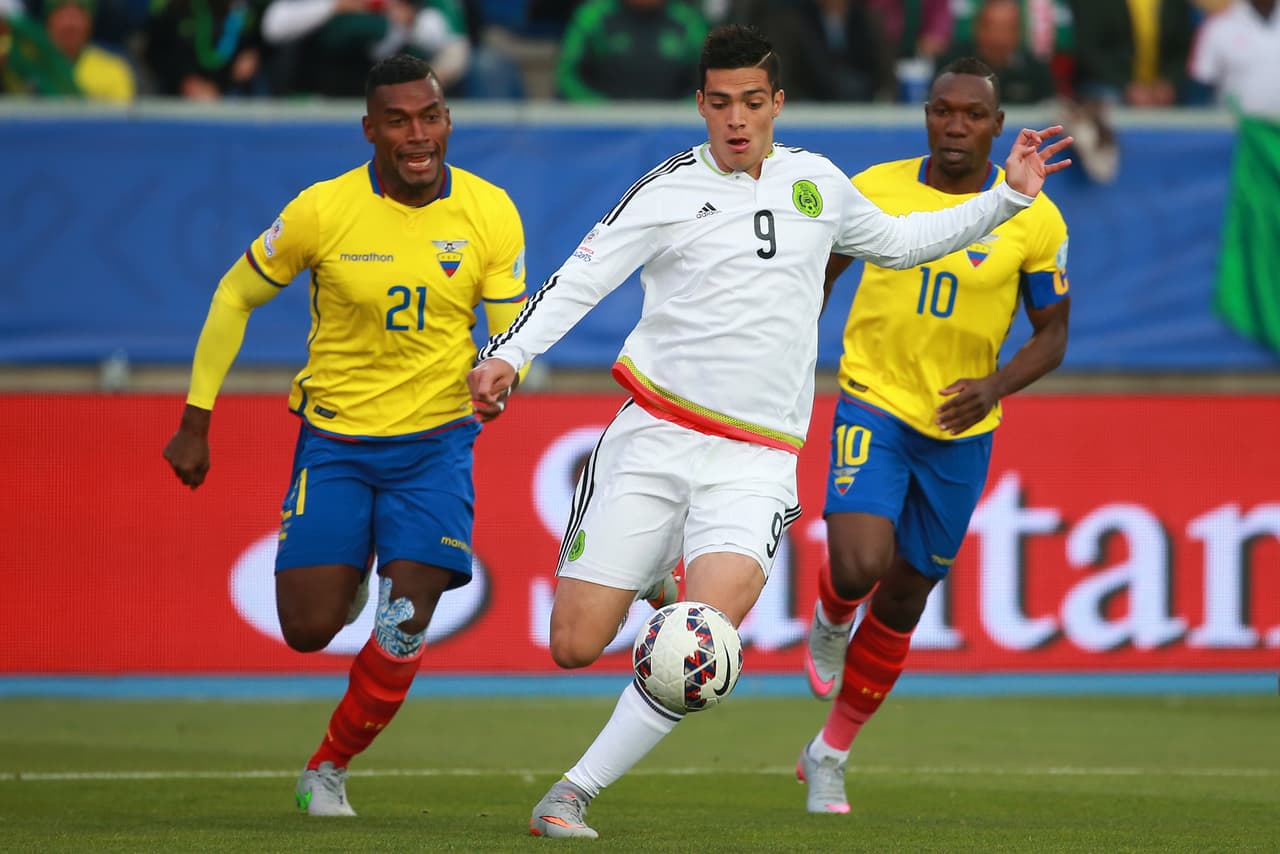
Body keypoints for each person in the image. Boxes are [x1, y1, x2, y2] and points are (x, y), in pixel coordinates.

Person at [467, 24, 1071, 839]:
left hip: (755, 461)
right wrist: (510, 357)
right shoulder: (667, 189)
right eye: (721, 103)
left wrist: (1009, 198)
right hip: (654, 435)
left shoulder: (818, 184)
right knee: (574, 644)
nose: (738, 119)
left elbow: (901, 243)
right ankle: (652, 577)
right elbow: (581, 275)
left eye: (753, 101)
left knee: (700, 649)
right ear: (701, 106)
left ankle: (570, 793)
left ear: (777, 103)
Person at [162, 54, 529, 816]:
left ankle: (328, 766)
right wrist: (197, 418)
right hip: (334, 444)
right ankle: (351, 563)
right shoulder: (321, 212)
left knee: (403, 624)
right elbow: (234, 295)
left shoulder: (491, 210)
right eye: (398, 120)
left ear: (447, 122)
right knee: (307, 627)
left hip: (435, 447)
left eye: (430, 117)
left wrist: (500, 375)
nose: (417, 133)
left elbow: (511, 334)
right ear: (371, 130)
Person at [798, 56, 1071, 814]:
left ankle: (830, 754)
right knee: (858, 564)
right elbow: (818, 277)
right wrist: (788, 350)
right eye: (941, 111)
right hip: (873, 402)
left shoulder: (1035, 214)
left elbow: (1052, 336)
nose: (954, 126)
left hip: (961, 427)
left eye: (971, 115)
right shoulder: (876, 188)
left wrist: (994, 386)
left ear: (996, 124)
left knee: (907, 598)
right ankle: (829, 615)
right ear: (926, 115)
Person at [554, 0, 707, 102]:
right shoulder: (592, 16)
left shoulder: (688, 20)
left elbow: (709, 77)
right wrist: (599, 111)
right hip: (600, 129)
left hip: (675, 130)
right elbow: (567, 75)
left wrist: (678, 113)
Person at [937, 0, 1057, 104]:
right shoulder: (952, 65)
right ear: (977, 29)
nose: (998, 38)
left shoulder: (1036, 69)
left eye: (1006, 29)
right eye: (992, 28)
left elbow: (1049, 111)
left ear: (1019, 33)